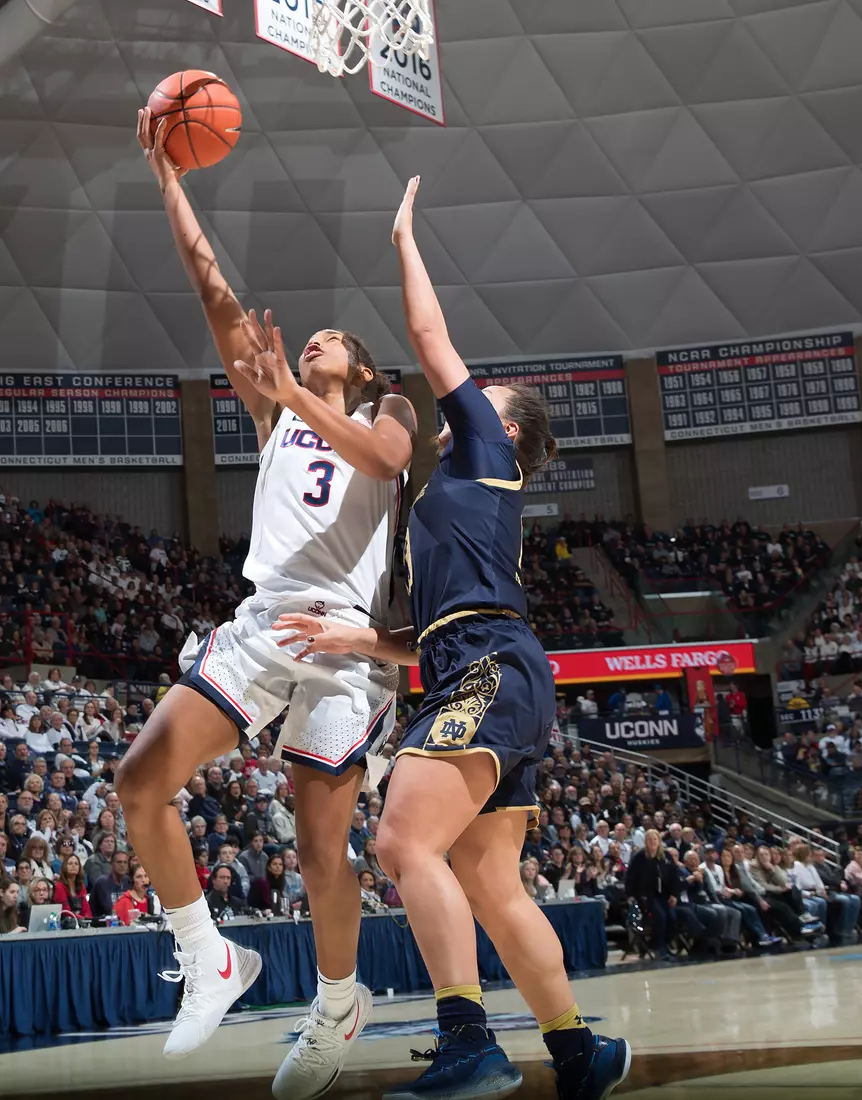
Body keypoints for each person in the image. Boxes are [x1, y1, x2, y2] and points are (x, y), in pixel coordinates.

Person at [270, 178, 629, 1100]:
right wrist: (351, 638)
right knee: (492, 883)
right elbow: (423, 638)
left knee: (399, 842)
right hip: (481, 665)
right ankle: (581, 1053)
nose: (461, 399)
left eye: (479, 396)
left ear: (502, 426)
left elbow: (429, 342)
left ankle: (470, 1043)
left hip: (490, 671)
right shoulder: (453, 499)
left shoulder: (486, 451)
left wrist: (404, 240)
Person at [113, 102, 417, 1098]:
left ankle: (337, 1004)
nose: (313, 339)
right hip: (263, 619)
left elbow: (381, 457)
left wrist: (295, 395)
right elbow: (218, 298)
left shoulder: (384, 410)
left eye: (332, 340)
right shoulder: (277, 407)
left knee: (322, 848)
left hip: (346, 639)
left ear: (358, 369)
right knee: (139, 779)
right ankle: (209, 953)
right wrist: (170, 182)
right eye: (309, 343)